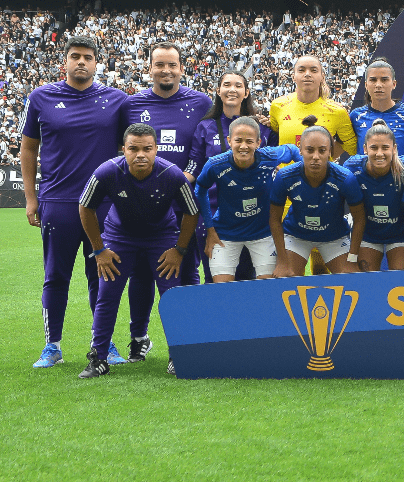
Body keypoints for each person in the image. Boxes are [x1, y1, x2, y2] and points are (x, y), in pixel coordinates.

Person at [21, 36, 130, 370]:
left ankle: (104, 343)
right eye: (75, 56)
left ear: (97, 63)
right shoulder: (41, 98)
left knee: (103, 275)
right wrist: (30, 198)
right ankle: (52, 346)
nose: (81, 62)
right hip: (58, 201)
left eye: (88, 57)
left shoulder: (117, 101)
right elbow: (28, 149)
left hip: (104, 205)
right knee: (56, 277)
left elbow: (132, 149)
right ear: (64, 62)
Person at [77, 123, 200, 378]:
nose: (140, 154)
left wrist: (179, 249)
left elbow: (192, 211)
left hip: (162, 236)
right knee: (107, 294)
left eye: (147, 149)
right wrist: (99, 250)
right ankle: (98, 357)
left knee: (172, 295)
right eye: (133, 149)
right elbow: (85, 207)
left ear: (156, 150)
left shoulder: (172, 173)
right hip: (119, 237)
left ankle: (179, 354)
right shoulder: (107, 171)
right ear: (124, 149)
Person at [121, 41, 212, 362]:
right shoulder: (131, 105)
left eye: (172, 65)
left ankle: (184, 344)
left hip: (185, 207)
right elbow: (121, 152)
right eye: (160, 64)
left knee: (187, 274)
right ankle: (139, 337)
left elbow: (206, 146)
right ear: (149, 69)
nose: (166, 70)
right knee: (142, 274)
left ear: (181, 69)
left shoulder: (201, 102)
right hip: (142, 208)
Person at [269, 55, 357, 274]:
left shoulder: (336, 111)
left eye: (313, 70)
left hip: (323, 196)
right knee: (284, 271)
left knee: (320, 270)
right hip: (287, 195)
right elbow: (272, 135)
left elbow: (352, 146)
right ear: (293, 75)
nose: (307, 74)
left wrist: (323, 158)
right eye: (302, 70)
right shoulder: (278, 106)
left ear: (321, 76)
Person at [194, 117, 300, 282]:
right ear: (229, 141)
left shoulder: (270, 156)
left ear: (258, 143)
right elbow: (200, 190)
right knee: (222, 291)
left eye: (249, 141)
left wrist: (299, 178)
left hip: (262, 234)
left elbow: (293, 150)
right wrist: (210, 229)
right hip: (225, 234)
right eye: (238, 140)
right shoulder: (216, 164)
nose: (243, 146)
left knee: (267, 289)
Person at [189, 70, 272, 281]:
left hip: (254, 220)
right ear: (218, 91)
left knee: (249, 280)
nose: (232, 89)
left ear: (246, 92)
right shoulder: (205, 127)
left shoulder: (263, 127)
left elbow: (276, 164)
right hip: (214, 216)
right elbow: (194, 170)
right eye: (226, 85)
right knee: (215, 280)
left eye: (238, 85)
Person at [268, 117, 366, 276]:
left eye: (322, 150)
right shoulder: (285, 176)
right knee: (286, 277)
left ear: (330, 152)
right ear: (300, 150)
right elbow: (274, 219)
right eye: (310, 150)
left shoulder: (345, 178)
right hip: (297, 235)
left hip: (334, 237)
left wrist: (352, 259)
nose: (315, 156)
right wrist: (283, 261)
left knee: (350, 279)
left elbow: (360, 218)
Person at [344, 119, 404, 271]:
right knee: (366, 280)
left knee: (399, 280)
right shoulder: (352, 167)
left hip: (400, 234)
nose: (379, 153)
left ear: (394, 148)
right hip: (368, 234)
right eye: (374, 147)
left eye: (385, 148)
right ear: (365, 149)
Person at [349, 58, 404, 158]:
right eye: (373, 80)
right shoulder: (355, 117)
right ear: (366, 85)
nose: (378, 85)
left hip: (403, 174)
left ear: (394, 84)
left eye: (384, 80)